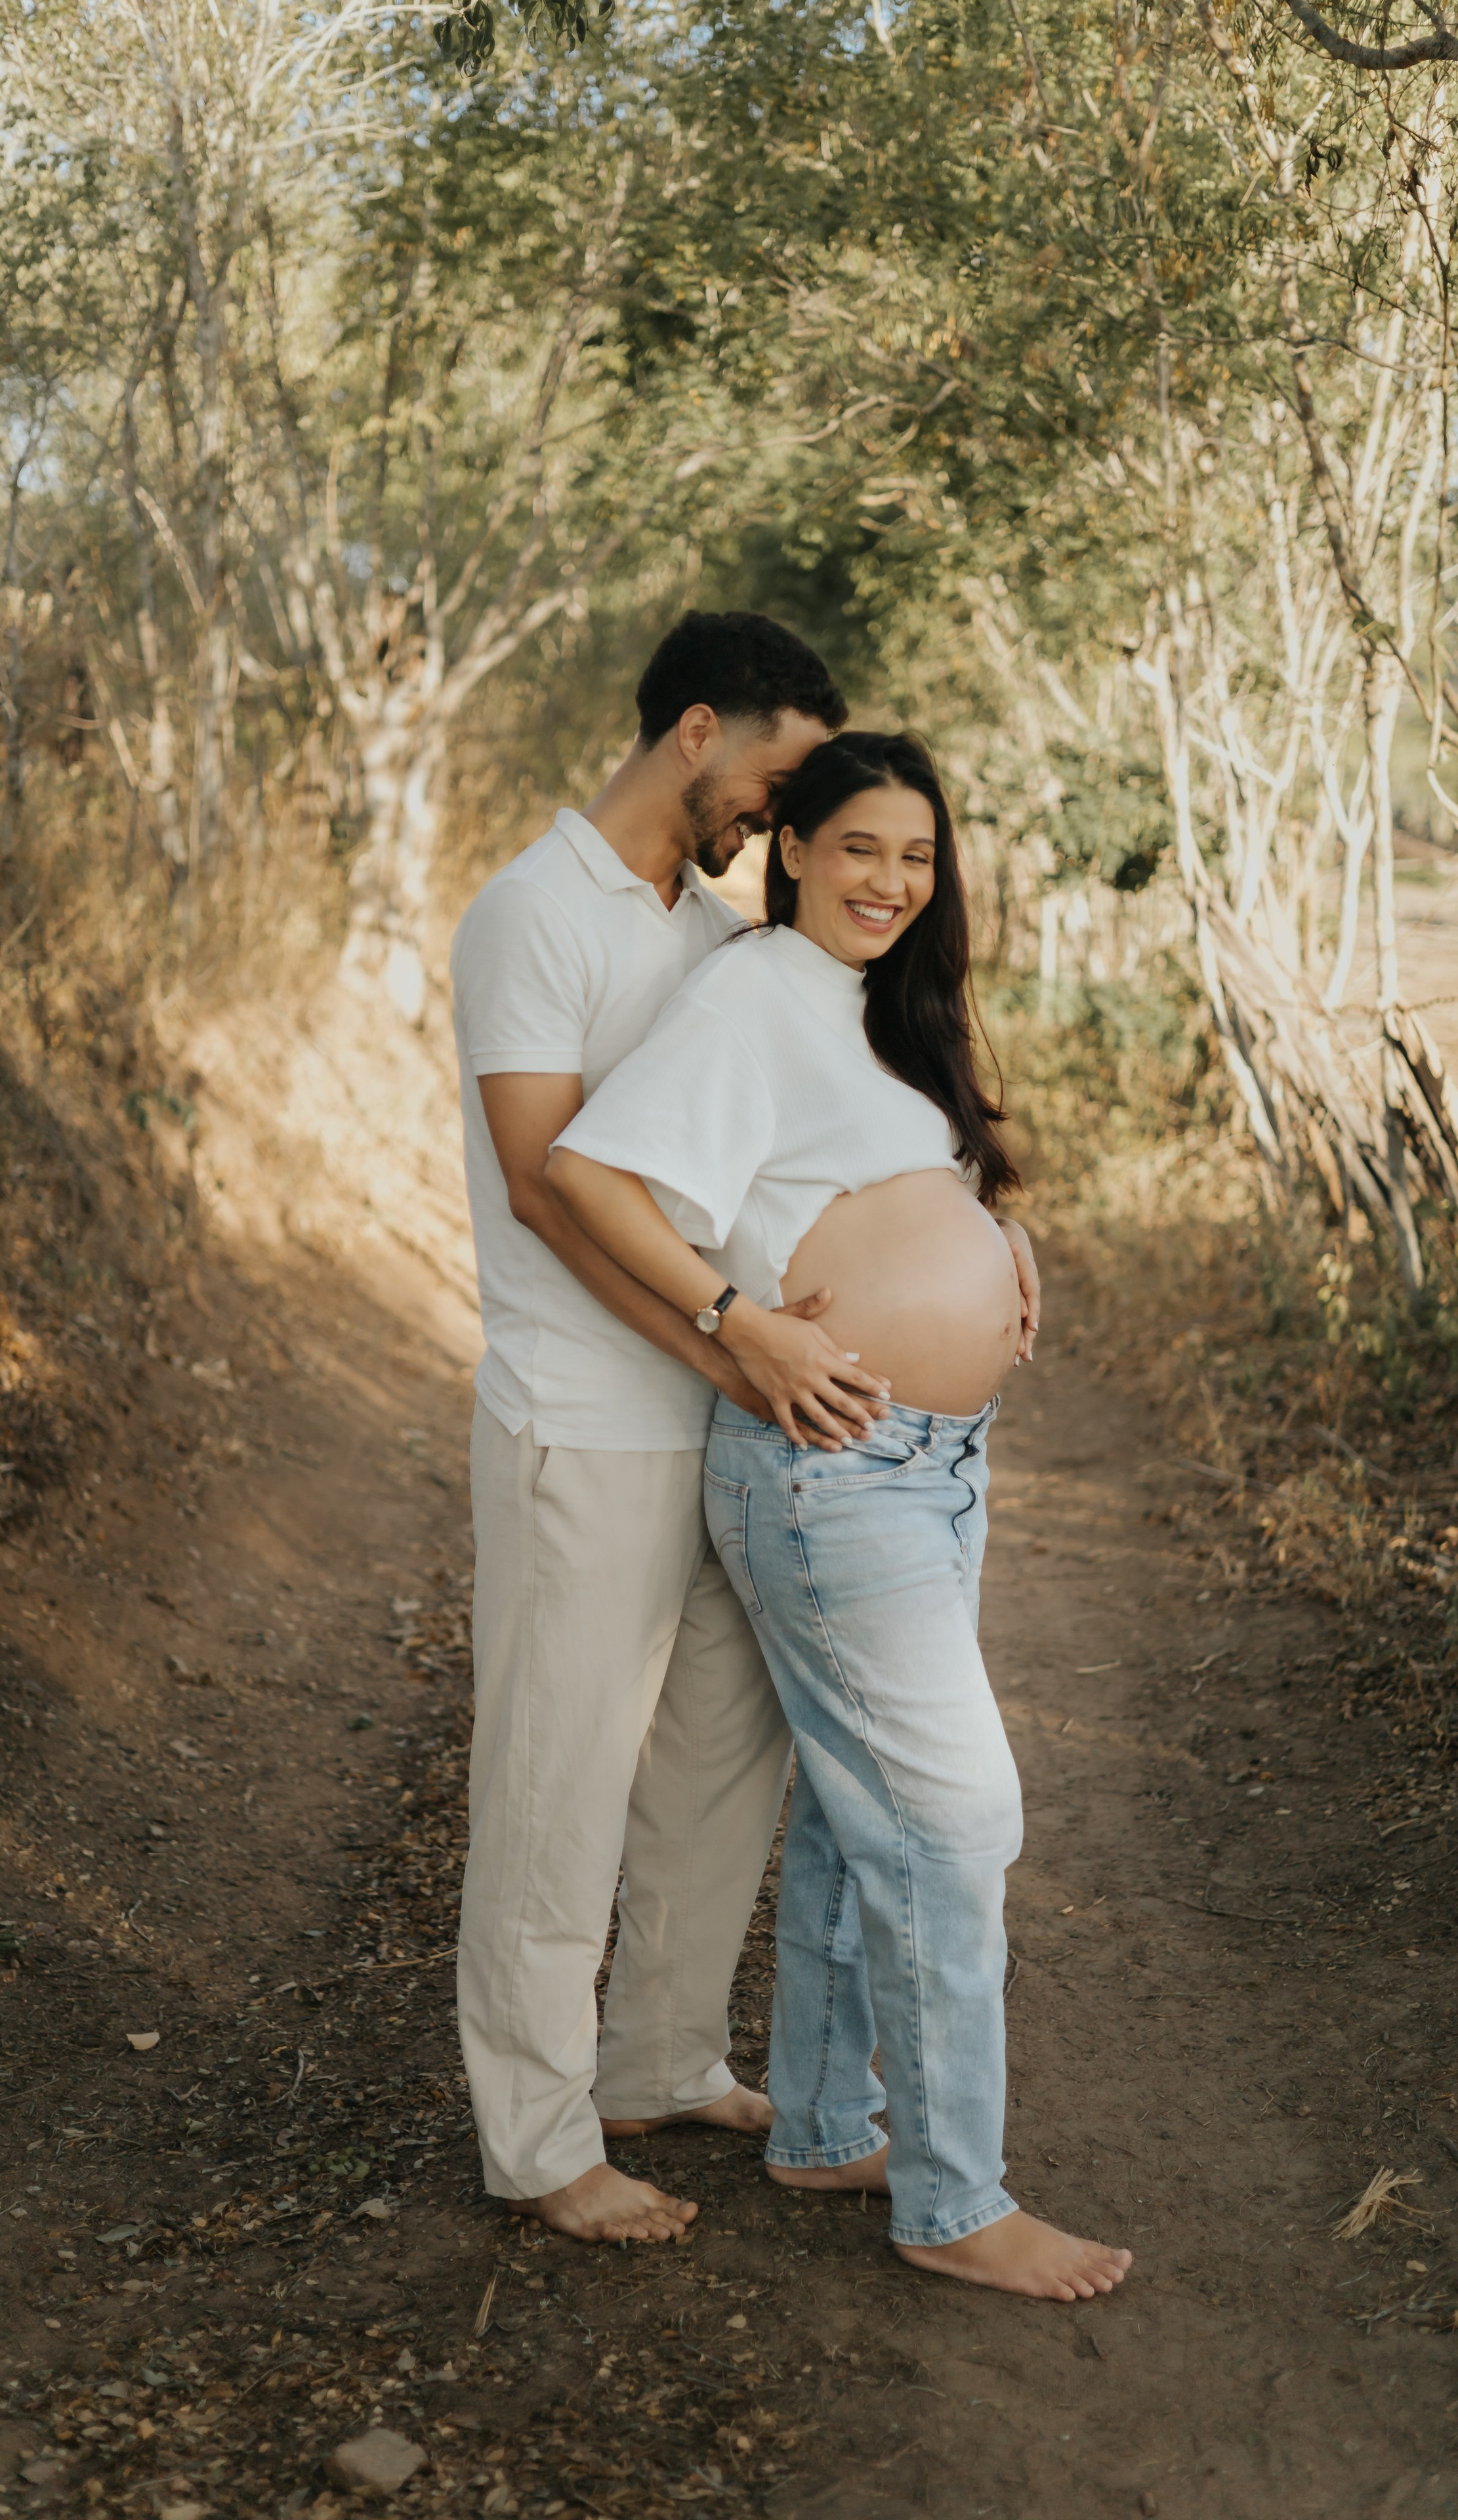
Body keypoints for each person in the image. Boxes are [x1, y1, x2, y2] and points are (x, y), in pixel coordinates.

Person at [548, 730, 1131, 2300]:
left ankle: (820, 2120)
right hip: (832, 1472)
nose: (889, 880)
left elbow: (895, 1180)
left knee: (857, 1810)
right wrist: (743, 1319)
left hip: (936, 1468)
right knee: (956, 1818)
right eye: (860, 846)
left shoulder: (878, 1012)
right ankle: (954, 2201)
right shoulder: (748, 997)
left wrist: (998, 1245)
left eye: (917, 857)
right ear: (794, 845)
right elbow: (590, 1174)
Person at [450, 612, 892, 2249]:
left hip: (726, 1421)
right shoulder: (531, 913)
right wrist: (729, 1336)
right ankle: (540, 2134)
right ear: (696, 729)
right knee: (556, 1779)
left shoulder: (710, 940)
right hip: (587, 1417)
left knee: (719, 1758)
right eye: (777, 780)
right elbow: (544, 1189)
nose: (776, 822)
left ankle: (655, 2057)